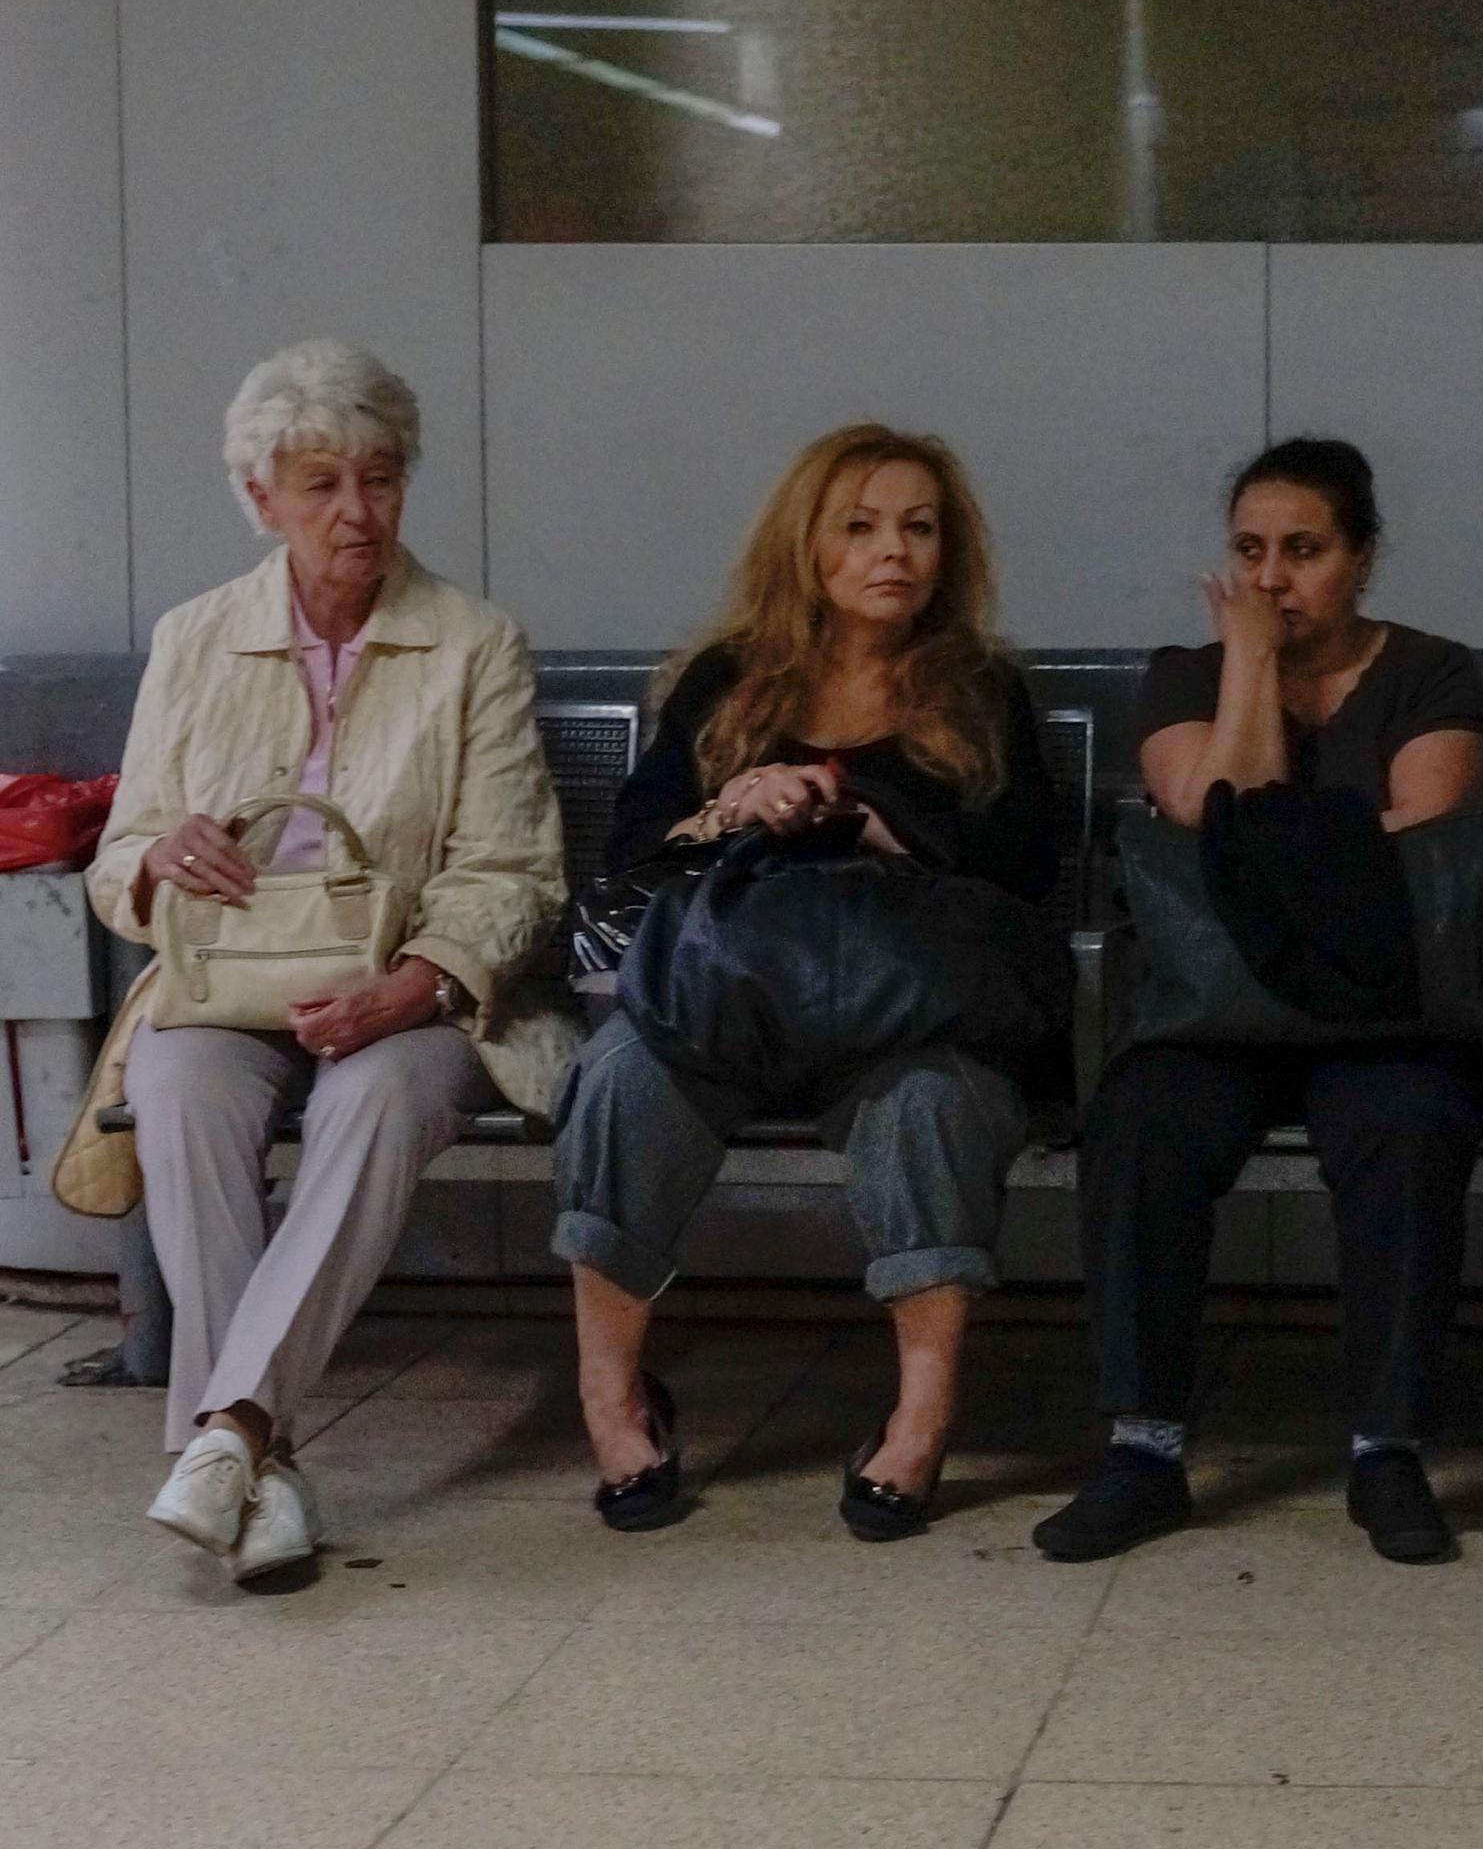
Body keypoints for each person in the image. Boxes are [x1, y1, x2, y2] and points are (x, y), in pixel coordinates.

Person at [93, 339, 573, 1585]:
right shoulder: (194, 640)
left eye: (380, 479)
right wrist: (159, 859)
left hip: (419, 996)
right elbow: (117, 857)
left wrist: (412, 984)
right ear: (261, 500)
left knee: (374, 1097)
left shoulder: (473, 642)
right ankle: (266, 1458)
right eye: (320, 485)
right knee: (182, 1089)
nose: (356, 513)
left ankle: (228, 1431)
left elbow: (514, 869)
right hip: (226, 985)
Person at [557, 424, 1058, 1542]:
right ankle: (615, 1401)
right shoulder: (728, 683)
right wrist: (736, 801)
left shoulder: (978, 692)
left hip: (908, 1004)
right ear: (810, 545)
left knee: (934, 1105)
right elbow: (630, 857)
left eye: (920, 529)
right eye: (863, 527)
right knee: (622, 1078)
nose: (896, 553)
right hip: (725, 994)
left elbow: (1029, 873)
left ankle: (919, 1422)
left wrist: (880, 821)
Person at [1036, 439, 1483, 1566]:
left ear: (1364, 557)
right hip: (1215, 1007)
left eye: (1305, 551)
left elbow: (1427, 833)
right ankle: (1144, 1450)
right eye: (1249, 552)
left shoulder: (1433, 674)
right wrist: (1248, 670)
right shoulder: (1186, 673)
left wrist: (1256, 849)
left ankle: (1386, 1448)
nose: (1273, 579)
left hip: (1385, 1004)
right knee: (1140, 1122)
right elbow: (1205, 810)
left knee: (1408, 1124)